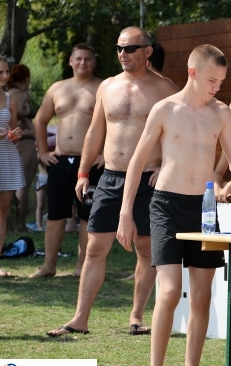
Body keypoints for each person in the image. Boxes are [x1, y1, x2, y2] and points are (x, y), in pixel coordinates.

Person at [116, 44, 231, 366]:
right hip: (166, 205)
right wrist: (125, 213)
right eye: (212, 80)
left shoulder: (222, 113)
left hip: (204, 208)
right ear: (193, 73)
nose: (217, 87)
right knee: (168, 292)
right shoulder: (165, 109)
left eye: (221, 81)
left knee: (202, 295)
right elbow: (136, 163)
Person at [46, 27, 179, 337]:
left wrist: (166, 164)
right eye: (119, 48)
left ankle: (136, 317)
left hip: (149, 179)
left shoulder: (165, 88)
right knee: (95, 248)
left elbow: (180, 132)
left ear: (147, 51)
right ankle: (79, 318)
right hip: (110, 177)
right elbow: (95, 132)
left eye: (130, 48)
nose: (123, 54)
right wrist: (82, 172)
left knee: (146, 249)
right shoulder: (107, 86)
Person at [30, 45, 103, 278]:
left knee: (86, 215)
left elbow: (115, 123)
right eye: (78, 59)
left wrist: (105, 154)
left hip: (90, 162)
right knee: (55, 214)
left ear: (94, 62)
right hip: (60, 160)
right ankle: (49, 265)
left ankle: (82, 266)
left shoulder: (103, 88)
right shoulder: (57, 88)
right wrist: (42, 152)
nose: (83, 63)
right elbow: (39, 121)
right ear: (71, 61)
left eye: (88, 59)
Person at [0, 54, 25, 277]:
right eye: (0, 72)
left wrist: (17, 133)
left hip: (6, 156)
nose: (5, 76)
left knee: (2, 211)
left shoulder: (10, 100)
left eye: (7, 72)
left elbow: (12, 131)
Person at [6, 65, 38, 230]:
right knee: (23, 184)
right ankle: (21, 223)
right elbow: (16, 112)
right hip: (24, 141)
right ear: (26, 78)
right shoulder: (16, 94)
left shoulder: (10, 93)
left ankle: (18, 221)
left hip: (19, 141)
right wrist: (26, 120)